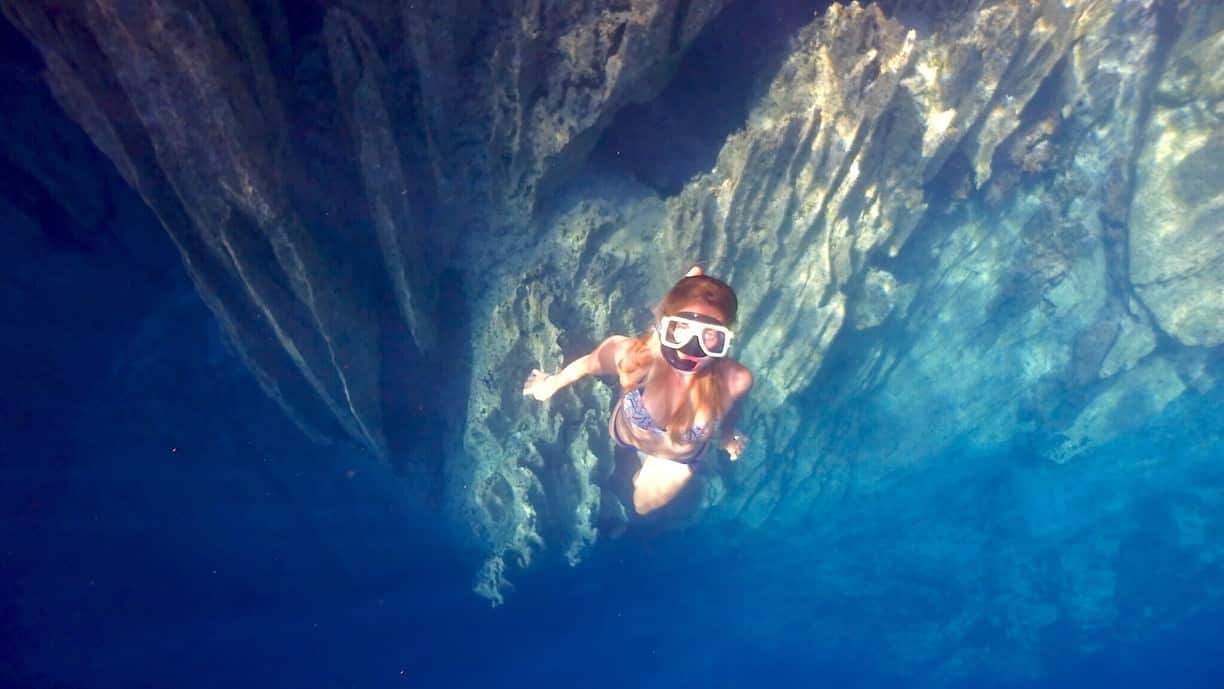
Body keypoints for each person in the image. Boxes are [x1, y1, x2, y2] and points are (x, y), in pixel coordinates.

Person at [522, 266, 753, 515]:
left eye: (710, 334)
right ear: (667, 327)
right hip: (626, 435)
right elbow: (589, 364)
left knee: (641, 507)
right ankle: (680, 297)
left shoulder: (734, 380)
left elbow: (731, 410)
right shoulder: (630, 356)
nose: (691, 348)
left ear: (725, 340)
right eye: (681, 328)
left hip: (675, 459)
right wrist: (551, 383)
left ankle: (685, 294)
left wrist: (727, 434)